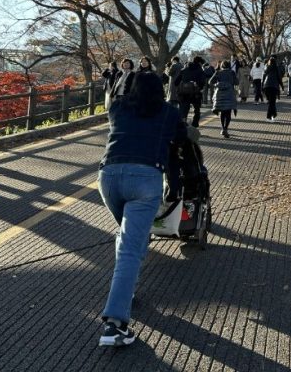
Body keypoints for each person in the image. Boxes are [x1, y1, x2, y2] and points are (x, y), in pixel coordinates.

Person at [97, 71, 199, 346]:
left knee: (130, 237)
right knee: (131, 246)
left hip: (108, 178)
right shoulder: (167, 112)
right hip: (145, 179)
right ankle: (115, 325)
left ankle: (126, 290)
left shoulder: (117, 108)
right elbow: (183, 136)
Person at [176, 56, 207, 127]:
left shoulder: (184, 70)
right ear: (199, 63)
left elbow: (176, 82)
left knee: (184, 109)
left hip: (184, 93)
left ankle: (183, 123)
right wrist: (199, 86)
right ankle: (195, 124)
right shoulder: (200, 71)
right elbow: (203, 82)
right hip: (196, 93)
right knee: (197, 110)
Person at [209, 60, 238, 137]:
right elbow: (237, 82)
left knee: (222, 112)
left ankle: (222, 128)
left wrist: (217, 84)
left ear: (222, 66)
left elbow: (210, 82)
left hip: (220, 95)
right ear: (229, 66)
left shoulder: (218, 72)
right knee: (228, 112)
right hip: (229, 94)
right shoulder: (232, 73)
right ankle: (225, 129)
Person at [262, 56, 284, 121]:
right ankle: (269, 116)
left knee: (271, 102)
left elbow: (264, 77)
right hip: (274, 87)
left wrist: (262, 86)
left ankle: (274, 114)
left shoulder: (267, 68)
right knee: (272, 103)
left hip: (267, 86)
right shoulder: (277, 68)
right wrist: (282, 86)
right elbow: (279, 78)